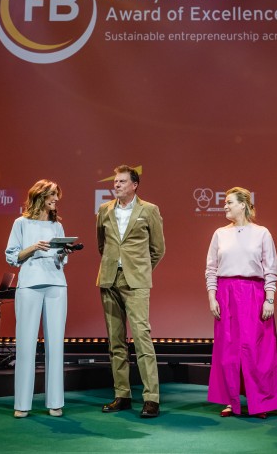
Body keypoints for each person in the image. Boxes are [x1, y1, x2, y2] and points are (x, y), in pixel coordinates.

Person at [205, 187, 277, 419]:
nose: (225, 206)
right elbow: (211, 268)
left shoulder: (262, 233)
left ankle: (261, 402)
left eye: (229, 202)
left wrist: (269, 299)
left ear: (243, 205)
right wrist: (212, 296)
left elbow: (271, 269)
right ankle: (230, 401)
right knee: (228, 349)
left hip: (253, 294)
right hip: (226, 294)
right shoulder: (220, 233)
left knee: (257, 350)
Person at [96, 165, 165, 418]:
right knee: (115, 341)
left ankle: (151, 398)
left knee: (142, 338)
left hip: (136, 282)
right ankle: (122, 395)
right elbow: (102, 245)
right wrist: (113, 266)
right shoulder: (104, 209)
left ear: (134, 185)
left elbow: (158, 249)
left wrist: (140, 271)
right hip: (109, 279)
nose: (117, 185)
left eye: (122, 181)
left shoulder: (149, 210)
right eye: (115, 181)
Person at [5, 179, 73, 418]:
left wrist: (64, 252)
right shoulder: (21, 223)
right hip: (29, 284)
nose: (56, 199)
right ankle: (22, 404)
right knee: (26, 345)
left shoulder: (57, 226)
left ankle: (55, 402)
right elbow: (12, 256)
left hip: (56, 283)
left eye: (57, 195)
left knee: (55, 345)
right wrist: (34, 247)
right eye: (52, 195)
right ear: (40, 196)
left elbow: (61, 259)